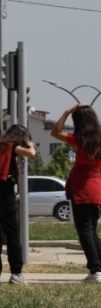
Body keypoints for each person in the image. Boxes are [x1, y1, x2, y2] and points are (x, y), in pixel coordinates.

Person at [0, 124, 37, 284]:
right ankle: (16, 273)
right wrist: (30, 144)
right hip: (4, 192)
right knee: (12, 235)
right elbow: (31, 154)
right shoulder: (12, 145)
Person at [51, 104, 101, 282]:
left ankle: (95, 270)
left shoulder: (80, 140)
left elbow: (55, 132)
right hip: (96, 186)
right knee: (91, 229)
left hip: (81, 187)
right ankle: (98, 268)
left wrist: (67, 111)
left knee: (85, 230)